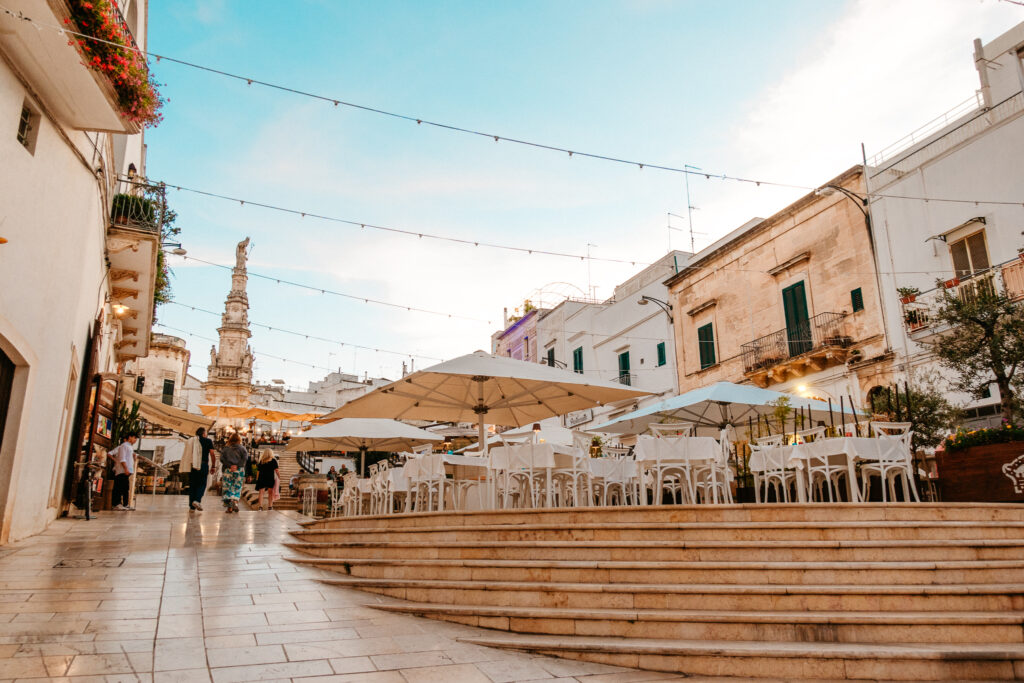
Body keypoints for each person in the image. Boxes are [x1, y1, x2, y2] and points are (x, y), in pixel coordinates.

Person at [182, 427, 216, 512]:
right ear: (204, 433)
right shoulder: (208, 441)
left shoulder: (192, 440)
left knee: (193, 485)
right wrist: (213, 466)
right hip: (203, 464)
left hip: (193, 465)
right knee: (202, 484)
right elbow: (212, 454)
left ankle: (191, 507)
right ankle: (197, 501)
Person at [108, 432, 138, 511]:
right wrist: (125, 468)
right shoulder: (123, 446)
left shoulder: (130, 447)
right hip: (122, 470)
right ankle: (116, 504)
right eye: (134, 437)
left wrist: (134, 457)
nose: (135, 440)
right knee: (119, 487)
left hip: (127, 470)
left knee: (125, 488)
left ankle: (125, 504)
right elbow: (122, 458)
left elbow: (130, 459)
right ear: (130, 437)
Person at [219, 432, 247, 513]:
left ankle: (229, 508)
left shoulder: (226, 448)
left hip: (228, 470)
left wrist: (230, 465)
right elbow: (245, 459)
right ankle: (235, 502)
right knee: (237, 487)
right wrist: (237, 466)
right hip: (239, 471)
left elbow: (222, 459)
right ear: (239, 440)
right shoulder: (242, 448)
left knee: (227, 488)